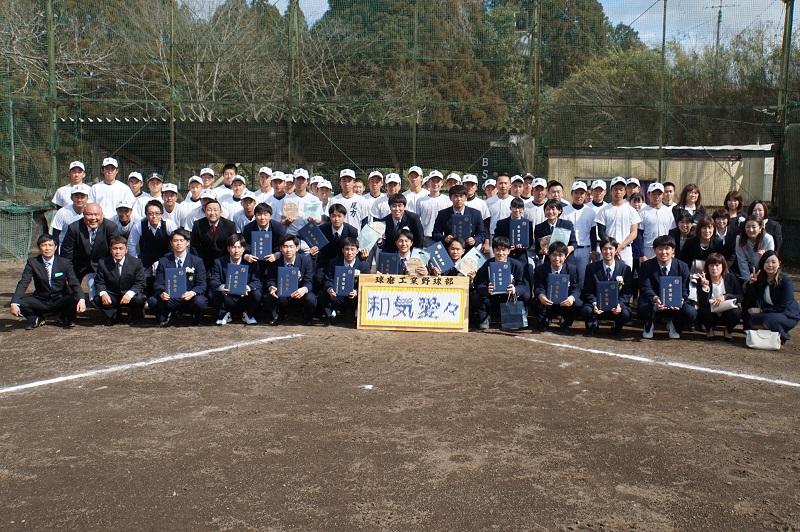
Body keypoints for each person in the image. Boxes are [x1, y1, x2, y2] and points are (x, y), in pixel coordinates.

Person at [10, 234, 86, 329]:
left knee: (75, 297)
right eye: (44, 245)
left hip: (60, 299)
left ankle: (64, 318)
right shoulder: (32, 262)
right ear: (39, 248)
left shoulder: (65, 263)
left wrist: (81, 299)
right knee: (18, 302)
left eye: (50, 245)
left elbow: (74, 282)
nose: (47, 248)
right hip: (41, 300)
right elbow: (24, 282)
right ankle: (36, 318)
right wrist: (14, 303)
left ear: (55, 247)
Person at [638, 234, 696, 339]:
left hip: (675, 303)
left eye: (667, 248)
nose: (663, 252)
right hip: (654, 301)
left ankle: (675, 324)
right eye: (660, 249)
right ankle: (649, 324)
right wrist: (655, 298)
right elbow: (645, 287)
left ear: (673, 250)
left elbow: (685, 289)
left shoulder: (682, 266)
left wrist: (680, 300)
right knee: (643, 307)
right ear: (654, 250)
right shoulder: (646, 265)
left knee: (691, 313)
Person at [60, 202, 120, 298]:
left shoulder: (111, 227)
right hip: (79, 265)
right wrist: (67, 273)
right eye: (89, 214)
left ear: (102, 215)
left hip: (102, 264)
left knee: (102, 296)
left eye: (96, 214)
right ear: (83, 215)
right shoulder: (74, 228)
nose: (93, 218)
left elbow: (116, 251)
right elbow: (66, 254)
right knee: (69, 295)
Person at [151, 228, 209, 326]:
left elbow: (202, 284)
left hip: (189, 298)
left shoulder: (197, 261)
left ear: (187, 243)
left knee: (201, 301)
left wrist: (192, 293)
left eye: (181, 240)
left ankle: (195, 314)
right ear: (171, 243)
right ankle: (168, 313)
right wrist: (162, 293)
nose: (178, 243)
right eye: (175, 241)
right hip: (170, 298)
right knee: (153, 301)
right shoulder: (163, 261)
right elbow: (158, 283)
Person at [743, 251, 800, 343]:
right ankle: (773, 333)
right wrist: (751, 284)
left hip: (787, 314)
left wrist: (761, 310)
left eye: (773, 262)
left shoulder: (785, 280)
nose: (770, 265)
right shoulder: (761, 278)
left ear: (779, 263)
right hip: (769, 312)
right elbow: (752, 299)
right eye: (767, 262)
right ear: (762, 264)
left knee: (770, 320)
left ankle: (782, 335)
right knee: (751, 321)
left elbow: (783, 306)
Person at [580, 237, 633, 336]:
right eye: (604, 249)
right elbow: (588, 290)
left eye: (610, 248)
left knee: (626, 313)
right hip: (597, 305)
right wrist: (595, 303)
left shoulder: (625, 268)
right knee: (586, 310)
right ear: (601, 250)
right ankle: (593, 324)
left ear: (616, 250)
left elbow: (627, 293)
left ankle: (617, 326)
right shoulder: (591, 268)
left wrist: (619, 305)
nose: (607, 252)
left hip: (615, 307)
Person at [474, 236, 529, 330]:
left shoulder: (517, 265)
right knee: (476, 295)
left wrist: (515, 289)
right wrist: (487, 289)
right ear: (493, 250)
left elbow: (523, 285)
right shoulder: (487, 264)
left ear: (509, 251)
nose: (500, 253)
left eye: (504, 250)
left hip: (508, 297)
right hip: (492, 297)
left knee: (525, 295)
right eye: (497, 250)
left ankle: (514, 319)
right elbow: (479, 284)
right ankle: (485, 318)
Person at [93, 235, 147, 325]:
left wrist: (129, 294)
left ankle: (134, 315)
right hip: (113, 295)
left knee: (140, 298)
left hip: (129, 294)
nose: (118, 252)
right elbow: (99, 281)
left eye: (121, 248)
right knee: (98, 299)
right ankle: (114, 315)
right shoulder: (103, 263)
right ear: (110, 250)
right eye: (115, 248)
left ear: (126, 250)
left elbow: (140, 282)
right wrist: (103, 293)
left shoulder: (136, 263)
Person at [209, 234, 262, 325]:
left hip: (244, 296)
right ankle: (224, 314)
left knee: (257, 294)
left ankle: (248, 314)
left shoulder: (251, 263)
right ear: (228, 248)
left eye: (239, 247)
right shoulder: (219, 262)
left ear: (243, 249)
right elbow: (214, 280)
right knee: (212, 292)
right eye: (233, 247)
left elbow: (257, 281)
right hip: (227, 295)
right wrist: (222, 287)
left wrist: (248, 287)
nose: (236, 251)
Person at [265, 235, 317, 325]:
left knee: (311, 299)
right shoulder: (275, 262)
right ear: (280, 248)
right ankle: (277, 316)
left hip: (299, 293)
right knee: (269, 297)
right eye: (285, 247)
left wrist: (303, 289)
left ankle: (307, 317)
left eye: (291, 247)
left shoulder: (305, 260)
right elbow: (270, 279)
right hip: (282, 292)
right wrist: (271, 287)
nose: (288, 250)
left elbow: (309, 281)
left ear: (297, 248)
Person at [320, 236, 371, 325]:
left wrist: (356, 292)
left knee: (348, 320)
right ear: (342, 250)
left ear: (357, 251)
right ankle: (330, 314)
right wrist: (330, 289)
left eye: (352, 249)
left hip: (352, 298)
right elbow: (328, 280)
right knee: (323, 294)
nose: (349, 252)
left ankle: (353, 314)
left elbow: (366, 285)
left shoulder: (364, 266)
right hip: (336, 295)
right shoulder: (334, 262)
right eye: (347, 249)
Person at [532, 240, 581, 331]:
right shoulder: (541, 269)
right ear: (549, 255)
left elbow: (576, 288)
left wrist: (571, 298)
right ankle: (544, 320)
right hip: (547, 302)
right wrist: (541, 295)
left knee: (578, 302)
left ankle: (566, 322)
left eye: (560, 255)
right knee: (536, 301)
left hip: (565, 303)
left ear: (565, 256)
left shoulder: (572, 269)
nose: (557, 258)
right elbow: (538, 287)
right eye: (554, 255)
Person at [594, 176, 640, 268]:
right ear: (611, 191)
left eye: (621, 189)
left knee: (625, 276)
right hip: (608, 250)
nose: (618, 192)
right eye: (615, 189)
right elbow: (601, 232)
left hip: (626, 250)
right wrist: (612, 247)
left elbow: (634, 232)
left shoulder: (631, 210)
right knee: (607, 275)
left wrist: (621, 246)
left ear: (625, 191)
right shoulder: (603, 210)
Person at [311, 203, 359, 289]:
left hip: (343, 261)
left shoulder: (352, 231)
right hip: (326, 261)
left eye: (339, 216)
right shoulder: (322, 229)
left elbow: (353, 249)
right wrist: (313, 251)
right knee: (318, 278)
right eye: (333, 216)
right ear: (329, 216)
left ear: (344, 217)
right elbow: (319, 249)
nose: (336, 219)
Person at [696, 252, 742, 340]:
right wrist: (705, 288)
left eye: (717, 265)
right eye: (711, 265)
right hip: (711, 312)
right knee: (703, 311)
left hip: (727, 311)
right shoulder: (702, 279)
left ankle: (728, 330)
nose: (714, 268)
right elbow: (702, 303)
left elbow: (740, 296)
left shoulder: (730, 278)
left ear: (723, 266)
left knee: (736, 312)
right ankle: (709, 329)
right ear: (707, 267)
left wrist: (725, 297)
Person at [432, 184, 485, 252]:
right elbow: (435, 233)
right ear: (450, 198)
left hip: (469, 250)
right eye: (456, 196)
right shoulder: (443, 214)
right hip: (450, 250)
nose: (459, 199)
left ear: (466, 198)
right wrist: (444, 238)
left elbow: (482, 233)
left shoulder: (476, 214)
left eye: (461, 196)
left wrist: (475, 240)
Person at [562, 181, 595, 289]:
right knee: (568, 276)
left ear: (585, 195)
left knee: (582, 279)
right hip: (568, 249)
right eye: (576, 192)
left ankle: (580, 299)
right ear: (572, 194)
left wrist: (593, 250)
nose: (579, 196)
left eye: (582, 193)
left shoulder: (590, 212)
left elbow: (593, 233)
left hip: (584, 249)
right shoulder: (564, 211)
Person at [190, 199, 238, 272]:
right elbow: (194, 247)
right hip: (203, 264)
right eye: (209, 210)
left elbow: (232, 245)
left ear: (220, 212)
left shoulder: (230, 225)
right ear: (205, 212)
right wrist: (199, 264)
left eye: (215, 210)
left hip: (224, 264)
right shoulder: (198, 225)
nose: (212, 213)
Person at [638, 182, 675, 260]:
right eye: (654, 194)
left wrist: (672, 250)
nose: (656, 197)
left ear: (663, 195)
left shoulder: (668, 211)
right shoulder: (642, 212)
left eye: (659, 194)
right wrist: (642, 254)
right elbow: (639, 234)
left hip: (665, 248)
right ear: (648, 194)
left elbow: (672, 233)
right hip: (648, 249)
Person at [493, 197, 534, 266]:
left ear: (523, 209)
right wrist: (507, 246)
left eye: (519, 208)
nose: (517, 210)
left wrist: (523, 247)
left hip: (521, 256)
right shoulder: (501, 223)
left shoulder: (528, 223)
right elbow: (496, 239)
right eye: (514, 207)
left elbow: (530, 241)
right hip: (506, 256)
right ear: (510, 208)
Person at [735, 215, 775, 282]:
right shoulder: (739, 239)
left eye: (754, 227)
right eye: (748, 227)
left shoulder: (768, 239)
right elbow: (741, 261)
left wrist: (763, 256)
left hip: (764, 272)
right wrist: (747, 280)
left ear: (760, 228)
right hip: (747, 272)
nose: (750, 230)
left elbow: (770, 261)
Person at [417, 171, 451, 246]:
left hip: (443, 238)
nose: (435, 184)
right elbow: (417, 221)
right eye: (433, 181)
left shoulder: (448, 200)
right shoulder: (420, 200)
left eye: (438, 181)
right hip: (426, 238)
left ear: (442, 183)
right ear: (429, 182)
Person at [462, 174, 491, 253]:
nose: (469, 187)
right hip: (458, 242)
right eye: (467, 184)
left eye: (472, 184)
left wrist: (486, 242)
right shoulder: (456, 201)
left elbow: (486, 225)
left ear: (476, 187)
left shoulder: (481, 203)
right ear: (462, 185)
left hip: (476, 242)